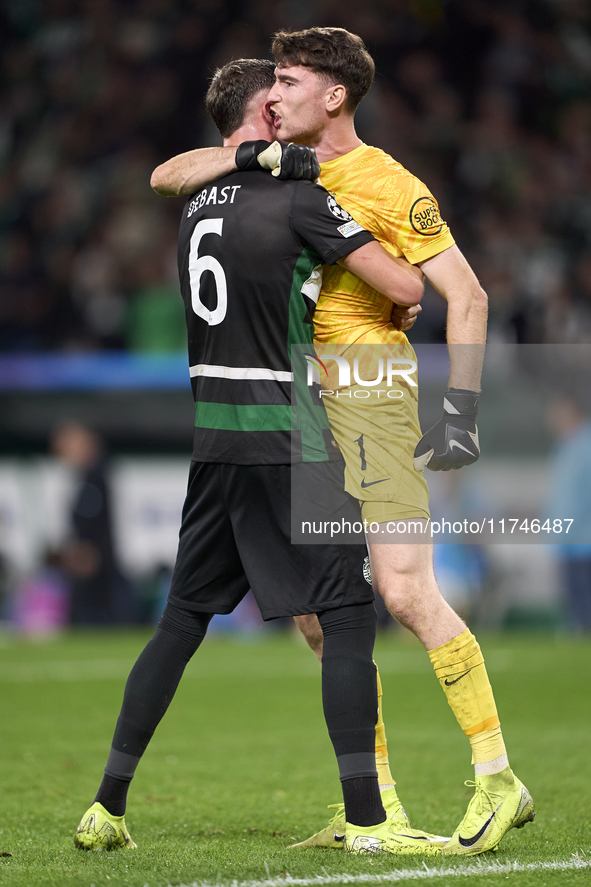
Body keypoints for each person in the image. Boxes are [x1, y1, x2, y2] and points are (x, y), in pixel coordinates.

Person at [150, 29, 535, 858]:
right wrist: (252, 161)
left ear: (333, 96)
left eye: (286, 81)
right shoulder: (276, 166)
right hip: (303, 413)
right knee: (323, 616)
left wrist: (460, 412)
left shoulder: (387, 181)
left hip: (373, 400)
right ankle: (375, 807)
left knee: (402, 592)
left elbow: (464, 298)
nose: (272, 94)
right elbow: (168, 175)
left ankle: (497, 772)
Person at [74, 58, 448, 857]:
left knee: (179, 621)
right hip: (289, 436)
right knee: (348, 615)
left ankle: (106, 805)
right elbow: (406, 287)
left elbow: (173, 175)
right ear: (258, 116)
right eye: (273, 100)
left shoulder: (194, 203)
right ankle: (371, 823)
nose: (285, 109)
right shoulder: (296, 198)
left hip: (214, 436)